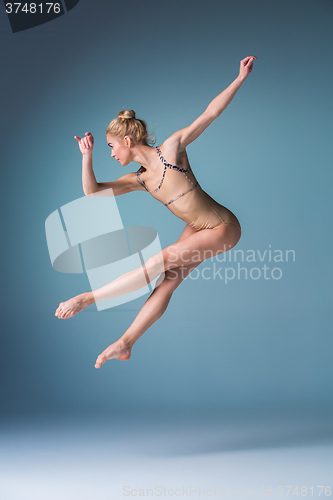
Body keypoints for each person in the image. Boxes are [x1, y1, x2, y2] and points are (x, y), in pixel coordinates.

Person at [55, 56, 257, 369]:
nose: (111, 154)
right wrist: (87, 156)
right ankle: (125, 343)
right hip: (198, 227)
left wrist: (240, 78)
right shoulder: (140, 179)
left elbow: (211, 113)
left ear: (127, 140)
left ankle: (88, 298)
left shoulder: (173, 149)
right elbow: (92, 192)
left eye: (111, 147)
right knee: (167, 281)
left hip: (223, 227)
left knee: (162, 259)